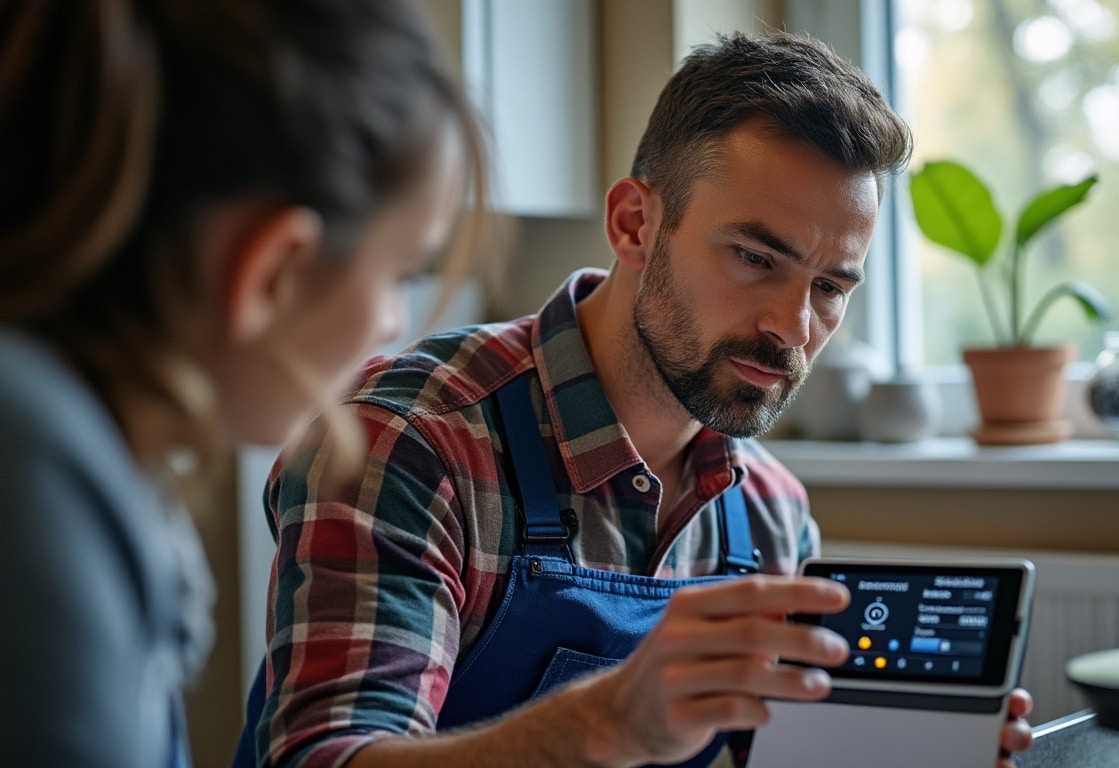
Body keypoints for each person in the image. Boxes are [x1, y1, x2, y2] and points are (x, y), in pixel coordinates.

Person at [245, 31, 1034, 768]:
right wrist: (603, 722)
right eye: (756, 258)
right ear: (634, 224)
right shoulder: (407, 441)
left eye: (830, 287)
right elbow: (329, 757)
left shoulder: (770, 512)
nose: (793, 329)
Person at [0, 1, 486, 765]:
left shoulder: (71, 446)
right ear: (275, 272)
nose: (393, 322)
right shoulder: (35, 470)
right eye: (398, 274)